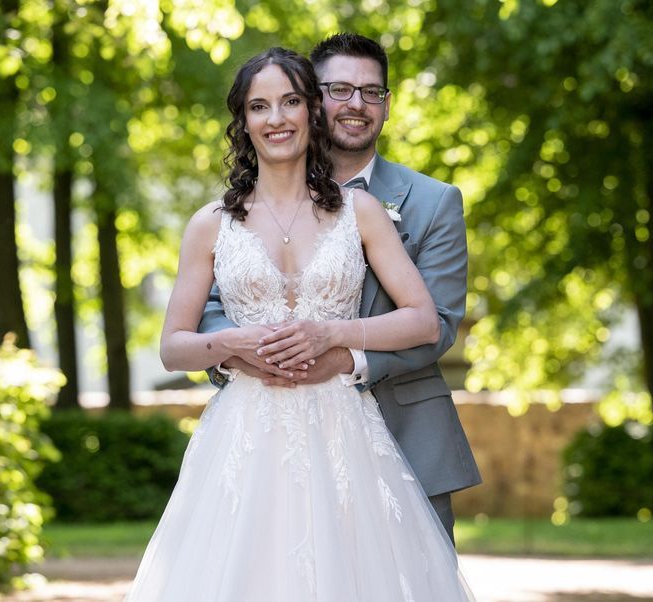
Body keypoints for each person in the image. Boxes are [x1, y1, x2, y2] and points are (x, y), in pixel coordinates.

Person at [125, 47, 474, 601]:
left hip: (347, 432)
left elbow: (429, 320)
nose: (276, 117)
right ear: (242, 120)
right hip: (245, 438)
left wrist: (334, 337)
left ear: (309, 112)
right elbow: (174, 344)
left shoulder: (364, 212)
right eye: (259, 106)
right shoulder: (210, 224)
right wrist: (232, 346)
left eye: (289, 102)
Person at [201, 33, 481, 541]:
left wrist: (345, 357)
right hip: (269, 433)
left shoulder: (433, 202)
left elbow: (436, 323)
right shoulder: (248, 204)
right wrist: (243, 355)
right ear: (314, 99)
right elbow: (215, 305)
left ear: (387, 105)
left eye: (371, 92)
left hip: (406, 436)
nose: (356, 104)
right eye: (341, 89)